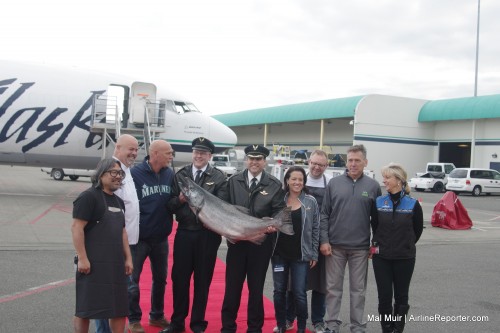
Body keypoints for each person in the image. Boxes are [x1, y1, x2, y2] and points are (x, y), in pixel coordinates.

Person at [161, 137, 228, 333]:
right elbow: (169, 204)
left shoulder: (219, 177)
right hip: (184, 233)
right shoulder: (180, 175)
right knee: (179, 280)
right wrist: (181, 200)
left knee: (202, 281)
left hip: (207, 236)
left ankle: (198, 324)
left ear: (210, 155)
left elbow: (220, 206)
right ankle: (177, 323)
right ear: (192, 153)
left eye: (203, 153)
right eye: (196, 152)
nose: (199, 156)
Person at [221, 144, 286, 333]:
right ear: (246, 160)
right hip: (237, 244)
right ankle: (227, 327)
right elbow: (223, 208)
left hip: (260, 244)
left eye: (258, 159)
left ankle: (254, 328)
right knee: (232, 288)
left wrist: (273, 226)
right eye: (251, 158)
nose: (254, 162)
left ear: (264, 161)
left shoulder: (274, 185)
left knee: (256, 289)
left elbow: (279, 211)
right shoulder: (233, 181)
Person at [320, 144, 381, 333]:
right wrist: (324, 240)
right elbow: (324, 214)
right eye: (350, 160)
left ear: (365, 162)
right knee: (333, 289)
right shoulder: (334, 184)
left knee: (358, 291)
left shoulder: (373, 186)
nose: (353, 164)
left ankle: (357, 327)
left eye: (357, 160)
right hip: (335, 247)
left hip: (360, 249)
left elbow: (377, 220)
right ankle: (331, 325)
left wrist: (375, 244)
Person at [71, 158, 133, 333]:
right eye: (113, 172)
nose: (118, 177)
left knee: (118, 309)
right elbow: (77, 227)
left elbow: (122, 232)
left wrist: (128, 258)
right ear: (101, 174)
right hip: (92, 264)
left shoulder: (119, 202)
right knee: (85, 310)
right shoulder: (88, 197)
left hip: (116, 265)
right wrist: (82, 258)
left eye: (120, 173)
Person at [276, 150, 332, 333]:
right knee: (292, 286)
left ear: (326, 166)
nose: (317, 167)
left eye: (321, 164)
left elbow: (321, 220)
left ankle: (317, 320)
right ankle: (288, 319)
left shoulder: (328, 186)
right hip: (289, 248)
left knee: (319, 285)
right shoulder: (291, 187)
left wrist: (320, 244)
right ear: (309, 162)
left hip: (317, 244)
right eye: (314, 163)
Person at [128, 140, 175, 333]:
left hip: (161, 238)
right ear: (155, 154)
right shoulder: (134, 174)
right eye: (168, 153)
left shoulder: (169, 174)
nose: (171, 156)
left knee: (161, 278)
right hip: (140, 238)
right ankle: (133, 319)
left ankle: (156, 315)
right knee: (133, 281)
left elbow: (172, 201)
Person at [95, 134, 139, 333]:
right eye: (130, 149)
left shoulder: (126, 171)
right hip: (114, 245)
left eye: (136, 149)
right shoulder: (112, 171)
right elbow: (104, 205)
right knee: (109, 293)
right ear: (117, 148)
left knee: (120, 292)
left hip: (127, 242)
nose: (134, 153)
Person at [371, 163, 423, 333]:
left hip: (405, 258)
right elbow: (375, 227)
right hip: (381, 258)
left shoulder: (413, 204)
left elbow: (417, 230)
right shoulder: (379, 202)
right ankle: (386, 329)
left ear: (399, 180)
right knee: (384, 297)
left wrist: (405, 244)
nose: (384, 181)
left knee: (401, 296)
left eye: (387, 177)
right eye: (384, 177)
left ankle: (397, 329)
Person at [272, 166, 320, 333]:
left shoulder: (310, 201)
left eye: (300, 179)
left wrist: (314, 253)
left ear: (304, 182)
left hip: (301, 255)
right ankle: (281, 324)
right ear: (287, 180)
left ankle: (300, 327)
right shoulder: (279, 199)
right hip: (279, 254)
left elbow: (316, 229)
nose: (297, 182)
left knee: (299, 293)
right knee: (279, 291)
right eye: (294, 179)